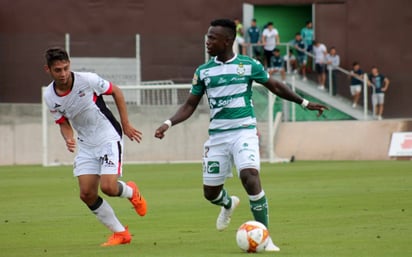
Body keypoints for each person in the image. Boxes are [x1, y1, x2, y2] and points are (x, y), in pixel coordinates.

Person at [154, 19, 327, 252]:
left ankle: (264, 238)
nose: (207, 41)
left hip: (244, 132)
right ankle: (227, 203)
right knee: (210, 193)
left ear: (228, 41)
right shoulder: (203, 71)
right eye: (207, 36)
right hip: (217, 138)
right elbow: (190, 105)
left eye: (213, 37)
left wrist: (304, 102)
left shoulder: (248, 65)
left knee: (250, 175)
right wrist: (168, 123)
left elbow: (274, 86)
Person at [43, 47, 147, 247]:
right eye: (58, 70)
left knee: (108, 187)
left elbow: (116, 91)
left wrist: (126, 124)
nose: (63, 74)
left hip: (108, 136)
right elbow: (63, 122)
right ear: (48, 69)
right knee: (87, 194)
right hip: (86, 144)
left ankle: (131, 192)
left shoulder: (87, 80)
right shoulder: (50, 96)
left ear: (69, 64)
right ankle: (121, 233)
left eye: (65, 68)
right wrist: (68, 137)